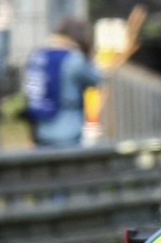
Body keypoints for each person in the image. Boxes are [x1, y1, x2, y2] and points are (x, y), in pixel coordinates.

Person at [23, 17, 101, 148]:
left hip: (40, 128)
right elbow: (95, 79)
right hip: (68, 130)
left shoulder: (39, 55)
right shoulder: (74, 59)